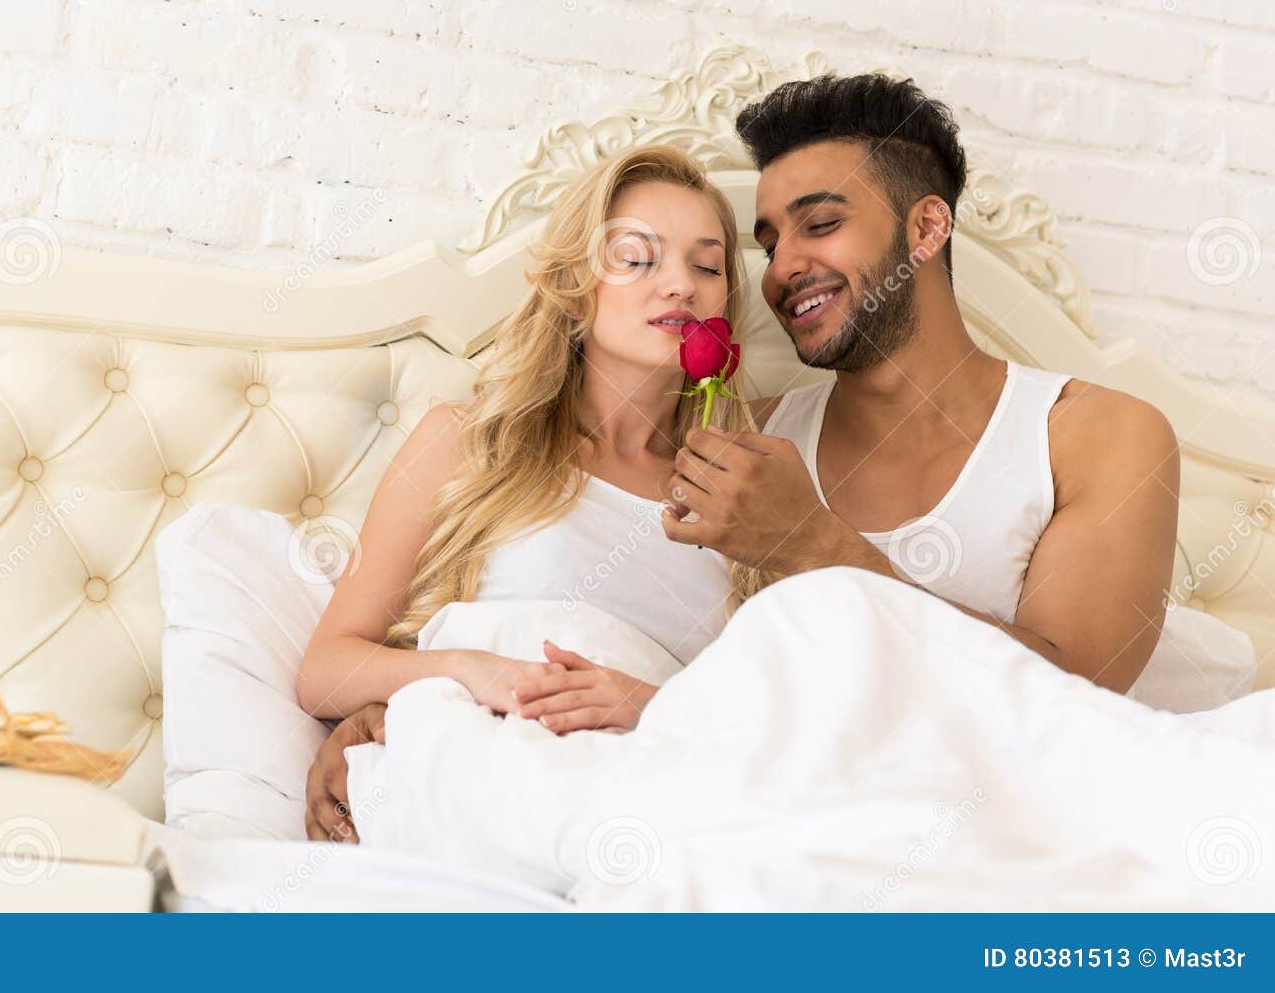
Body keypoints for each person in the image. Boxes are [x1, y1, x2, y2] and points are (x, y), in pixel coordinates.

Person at [295, 144, 778, 841]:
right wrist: (472, 672)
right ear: (579, 288)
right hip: (492, 789)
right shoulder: (466, 442)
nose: (681, 284)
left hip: (659, 813)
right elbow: (325, 671)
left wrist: (646, 703)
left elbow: (763, 725)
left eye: (706, 266)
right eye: (640, 257)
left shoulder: (743, 488)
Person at [658, 72, 1177, 693]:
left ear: (928, 229)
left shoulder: (1097, 436)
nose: (783, 270)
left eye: (820, 224)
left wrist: (814, 544)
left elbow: (1071, 704)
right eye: (770, 247)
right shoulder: (751, 442)